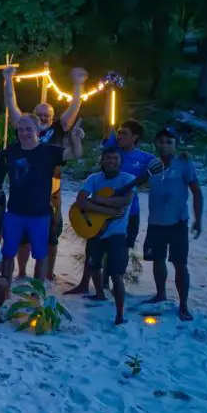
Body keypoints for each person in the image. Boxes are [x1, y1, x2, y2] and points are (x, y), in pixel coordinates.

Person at [4, 66, 88, 280]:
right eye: (38, 115)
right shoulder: (24, 129)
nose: (42, 118)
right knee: (21, 240)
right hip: (23, 192)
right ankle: (21, 273)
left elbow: (74, 106)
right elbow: (11, 105)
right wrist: (8, 79)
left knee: (51, 237)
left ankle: (47, 276)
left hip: (52, 192)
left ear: (52, 117)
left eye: (46, 115)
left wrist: (78, 85)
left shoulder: (58, 130)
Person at [68, 119, 156, 296]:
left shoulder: (145, 158)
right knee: (93, 248)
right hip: (100, 212)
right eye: (119, 132)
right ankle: (87, 285)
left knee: (120, 249)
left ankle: (113, 287)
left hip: (130, 212)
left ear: (135, 137)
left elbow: (158, 172)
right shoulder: (112, 149)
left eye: (124, 133)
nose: (119, 135)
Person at [0, 113, 84, 286]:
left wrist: (76, 139)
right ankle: (5, 289)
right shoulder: (12, 150)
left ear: (38, 130)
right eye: (21, 129)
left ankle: (37, 292)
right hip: (14, 211)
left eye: (28, 129)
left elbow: (76, 154)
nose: (24, 133)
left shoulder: (49, 152)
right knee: (8, 254)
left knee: (40, 255)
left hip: (40, 214)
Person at [143, 127, 203, 321]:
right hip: (155, 222)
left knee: (180, 264)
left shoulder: (185, 163)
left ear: (176, 145)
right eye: (161, 141)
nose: (165, 145)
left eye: (169, 142)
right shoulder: (151, 165)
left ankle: (183, 305)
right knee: (157, 260)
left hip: (178, 222)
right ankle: (160, 293)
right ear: (155, 144)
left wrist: (198, 219)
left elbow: (196, 191)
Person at [74, 147, 137, 325]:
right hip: (95, 231)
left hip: (117, 234)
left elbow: (124, 201)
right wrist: (105, 210)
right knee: (93, 266)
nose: (111, 162)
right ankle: (100, 295)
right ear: (102, 160)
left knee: (116, 275)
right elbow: (80, 201)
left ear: (121, 161)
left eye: (115, 158)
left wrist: (97, 200)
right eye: (108, 158)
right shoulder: (94, 179)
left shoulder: (128, 179)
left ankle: (119, 314)